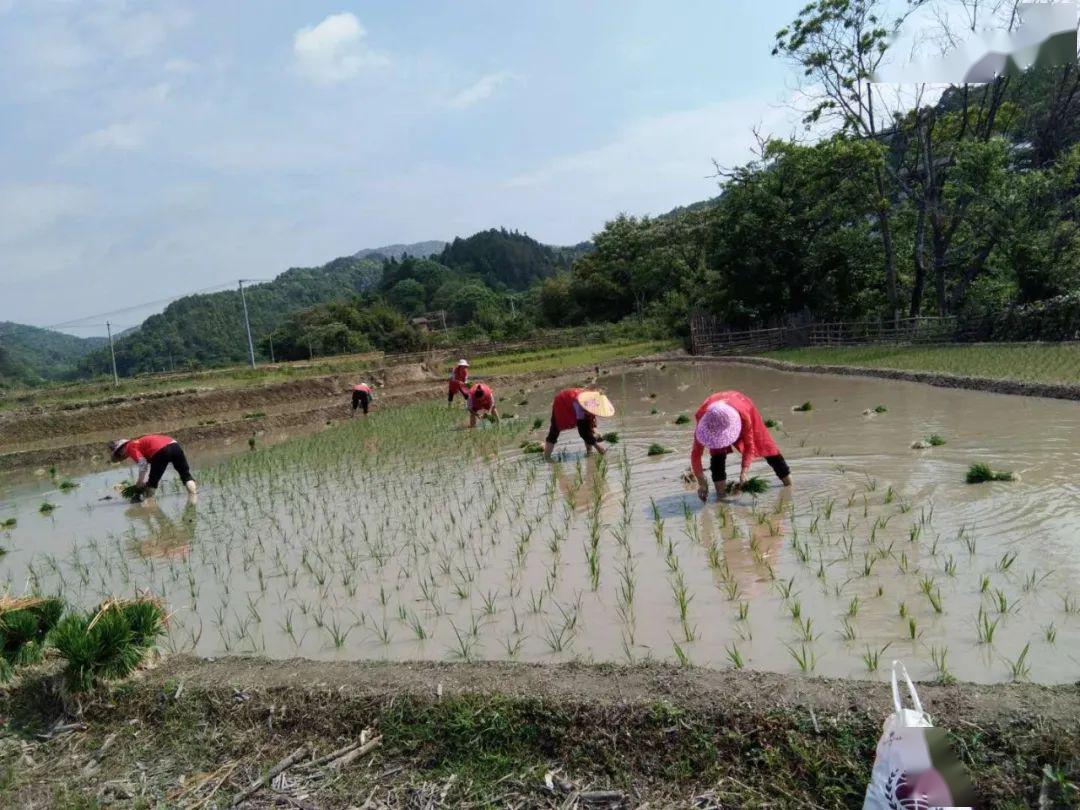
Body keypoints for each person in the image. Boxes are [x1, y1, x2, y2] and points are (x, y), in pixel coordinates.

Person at [690, 391, 791, 501]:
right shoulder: (705, 422)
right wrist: (702, 484)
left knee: (765, 445)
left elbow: (749, 446)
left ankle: (789, 485)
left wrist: (744, 473)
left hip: (739, 404)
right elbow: (695, 455)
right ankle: (721, 495)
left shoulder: (744, 416)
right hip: (714, 414)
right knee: (717, 453)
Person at [109, 435, 197, 499]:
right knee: (186, 475)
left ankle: (150, 506)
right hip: (174, 445)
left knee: (152, 484)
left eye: (119, 452)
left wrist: (139, 483)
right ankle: (193, 499)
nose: (121, 454)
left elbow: (143, 464)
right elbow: (148, 464)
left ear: (121, 450)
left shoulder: (131, 447)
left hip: (160, 451)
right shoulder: (139, 442)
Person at [542, 388, 614, 460]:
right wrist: (598, 447)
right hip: (562, 402)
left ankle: (589, 453)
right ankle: (546, 457)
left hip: (574, 400)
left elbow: (589, 425)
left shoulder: (593, 401)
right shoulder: (580, 406)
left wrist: (595, 434)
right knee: (554, 430)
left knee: (588, 427)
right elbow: (583, 431)